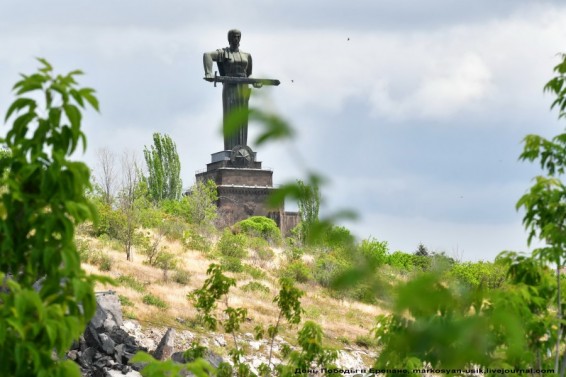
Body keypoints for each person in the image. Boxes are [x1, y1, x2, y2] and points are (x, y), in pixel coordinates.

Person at [204, 29, 260, 151]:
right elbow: (207, 55)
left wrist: (255, 82)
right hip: (230, 87)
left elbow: (249, 74)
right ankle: (231, 149)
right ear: (229, 38)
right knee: (231, 116)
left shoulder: (247, 55)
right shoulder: (224, 53)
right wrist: (208, 73)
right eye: (234, 37)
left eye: (238, 37)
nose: (236, 39)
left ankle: (242, 148)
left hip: (243, 88)